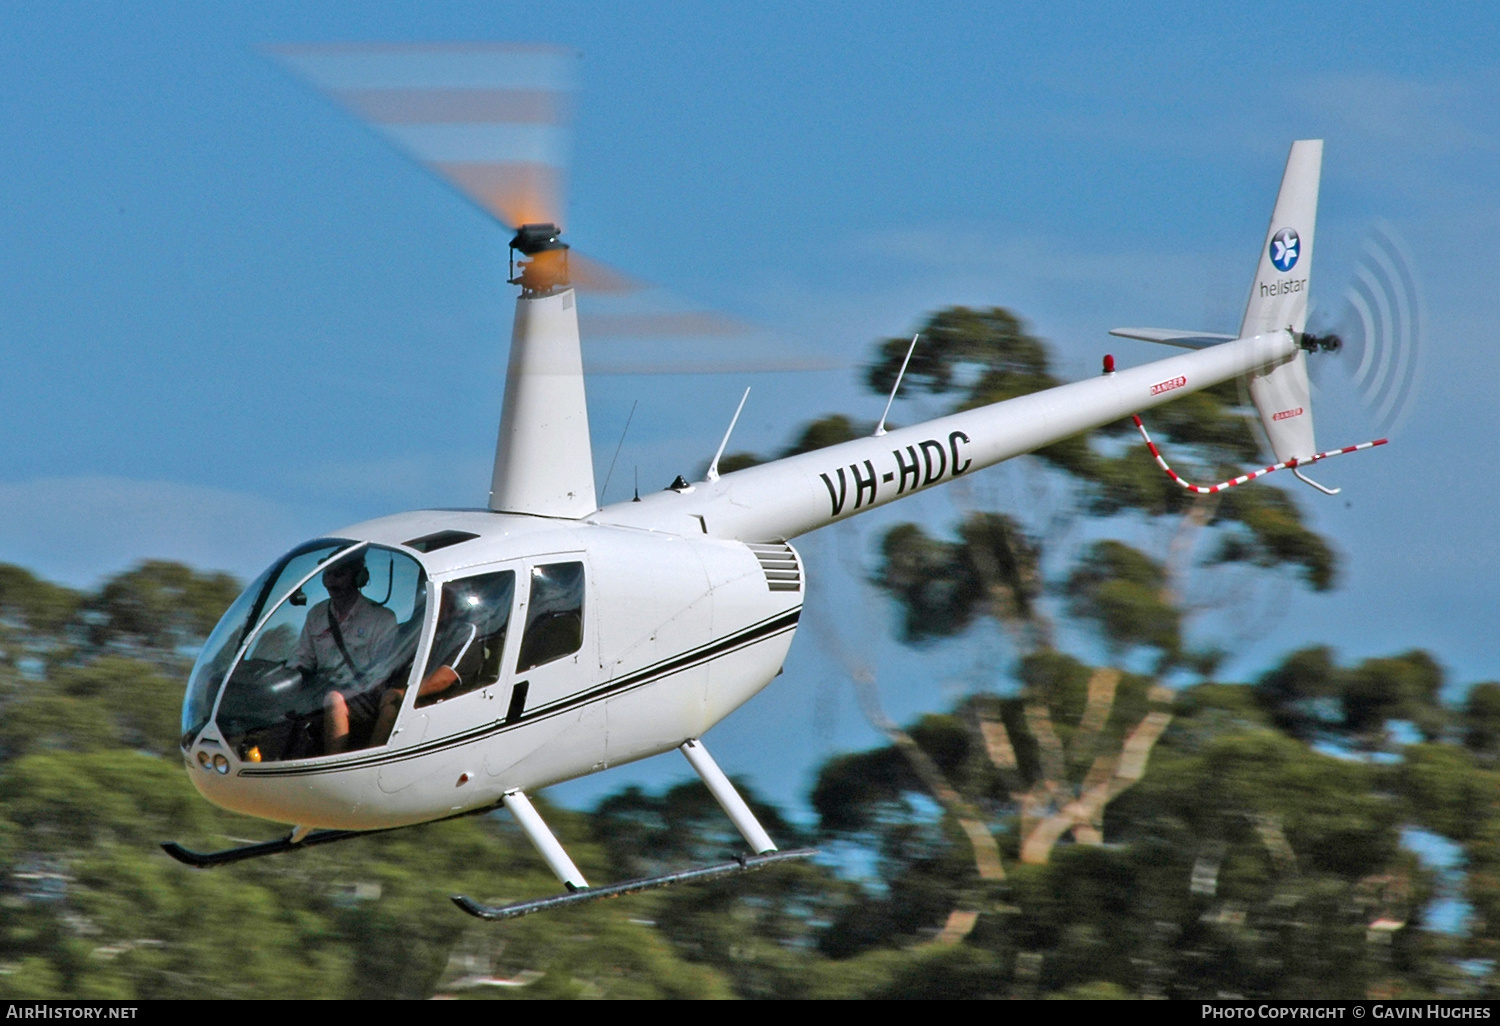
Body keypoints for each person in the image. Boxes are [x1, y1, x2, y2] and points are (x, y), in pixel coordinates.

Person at [289, 552, 398, 755]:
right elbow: (303, 659)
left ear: (359, 578)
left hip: (366, 695)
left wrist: (341, 689)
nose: (331, 582)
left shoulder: (381, 619)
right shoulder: (316, 615)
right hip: (320, 691)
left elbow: (381, 673)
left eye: (338, 575)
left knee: (333, 700)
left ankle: (334, 762)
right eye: (327, 575)